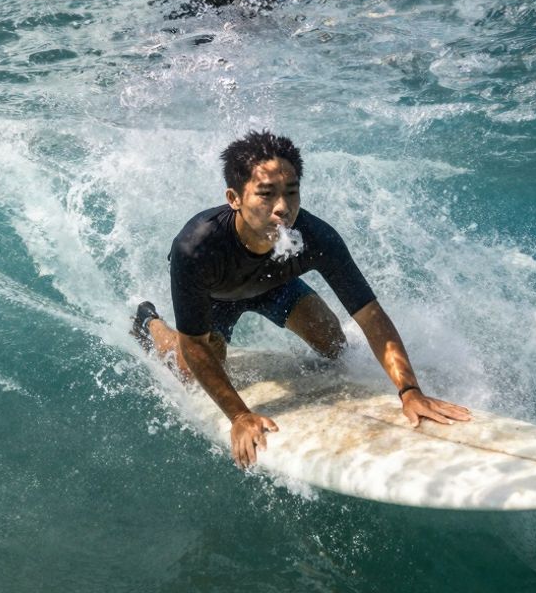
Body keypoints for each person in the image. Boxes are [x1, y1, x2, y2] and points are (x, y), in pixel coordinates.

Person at [131, 130, 470, 468]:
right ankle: (149, 323)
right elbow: (195, 345)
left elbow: (369, 314)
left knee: (333, 344)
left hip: (274, 287)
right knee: (192, 371)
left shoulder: (315, 236)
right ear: (234, 197)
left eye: (291, 192)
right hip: (216, 298)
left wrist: (409, 390)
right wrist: (239, 415)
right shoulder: (196, 248)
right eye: (266, 194)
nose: (283, 207)